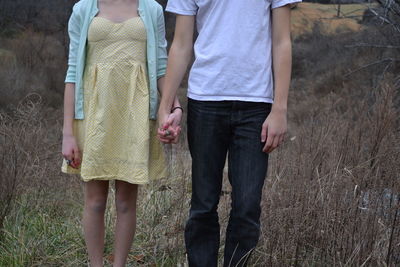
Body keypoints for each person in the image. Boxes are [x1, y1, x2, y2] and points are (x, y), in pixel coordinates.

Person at [157, 0, 300, 266]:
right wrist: (165, 107)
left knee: (247, 206)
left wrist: (279, 109)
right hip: (205, 99)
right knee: (203, 204)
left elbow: (282, 41)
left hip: (256, 104)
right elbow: (181, 44)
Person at [61, 0, 182, 266]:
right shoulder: (83, 8)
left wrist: (174, 106)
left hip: (134, 116)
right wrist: (67, 133)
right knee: (94, 201)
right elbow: (72, 72)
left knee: (127, 202)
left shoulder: (151, 10)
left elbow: (161, 68)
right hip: (95, 116)